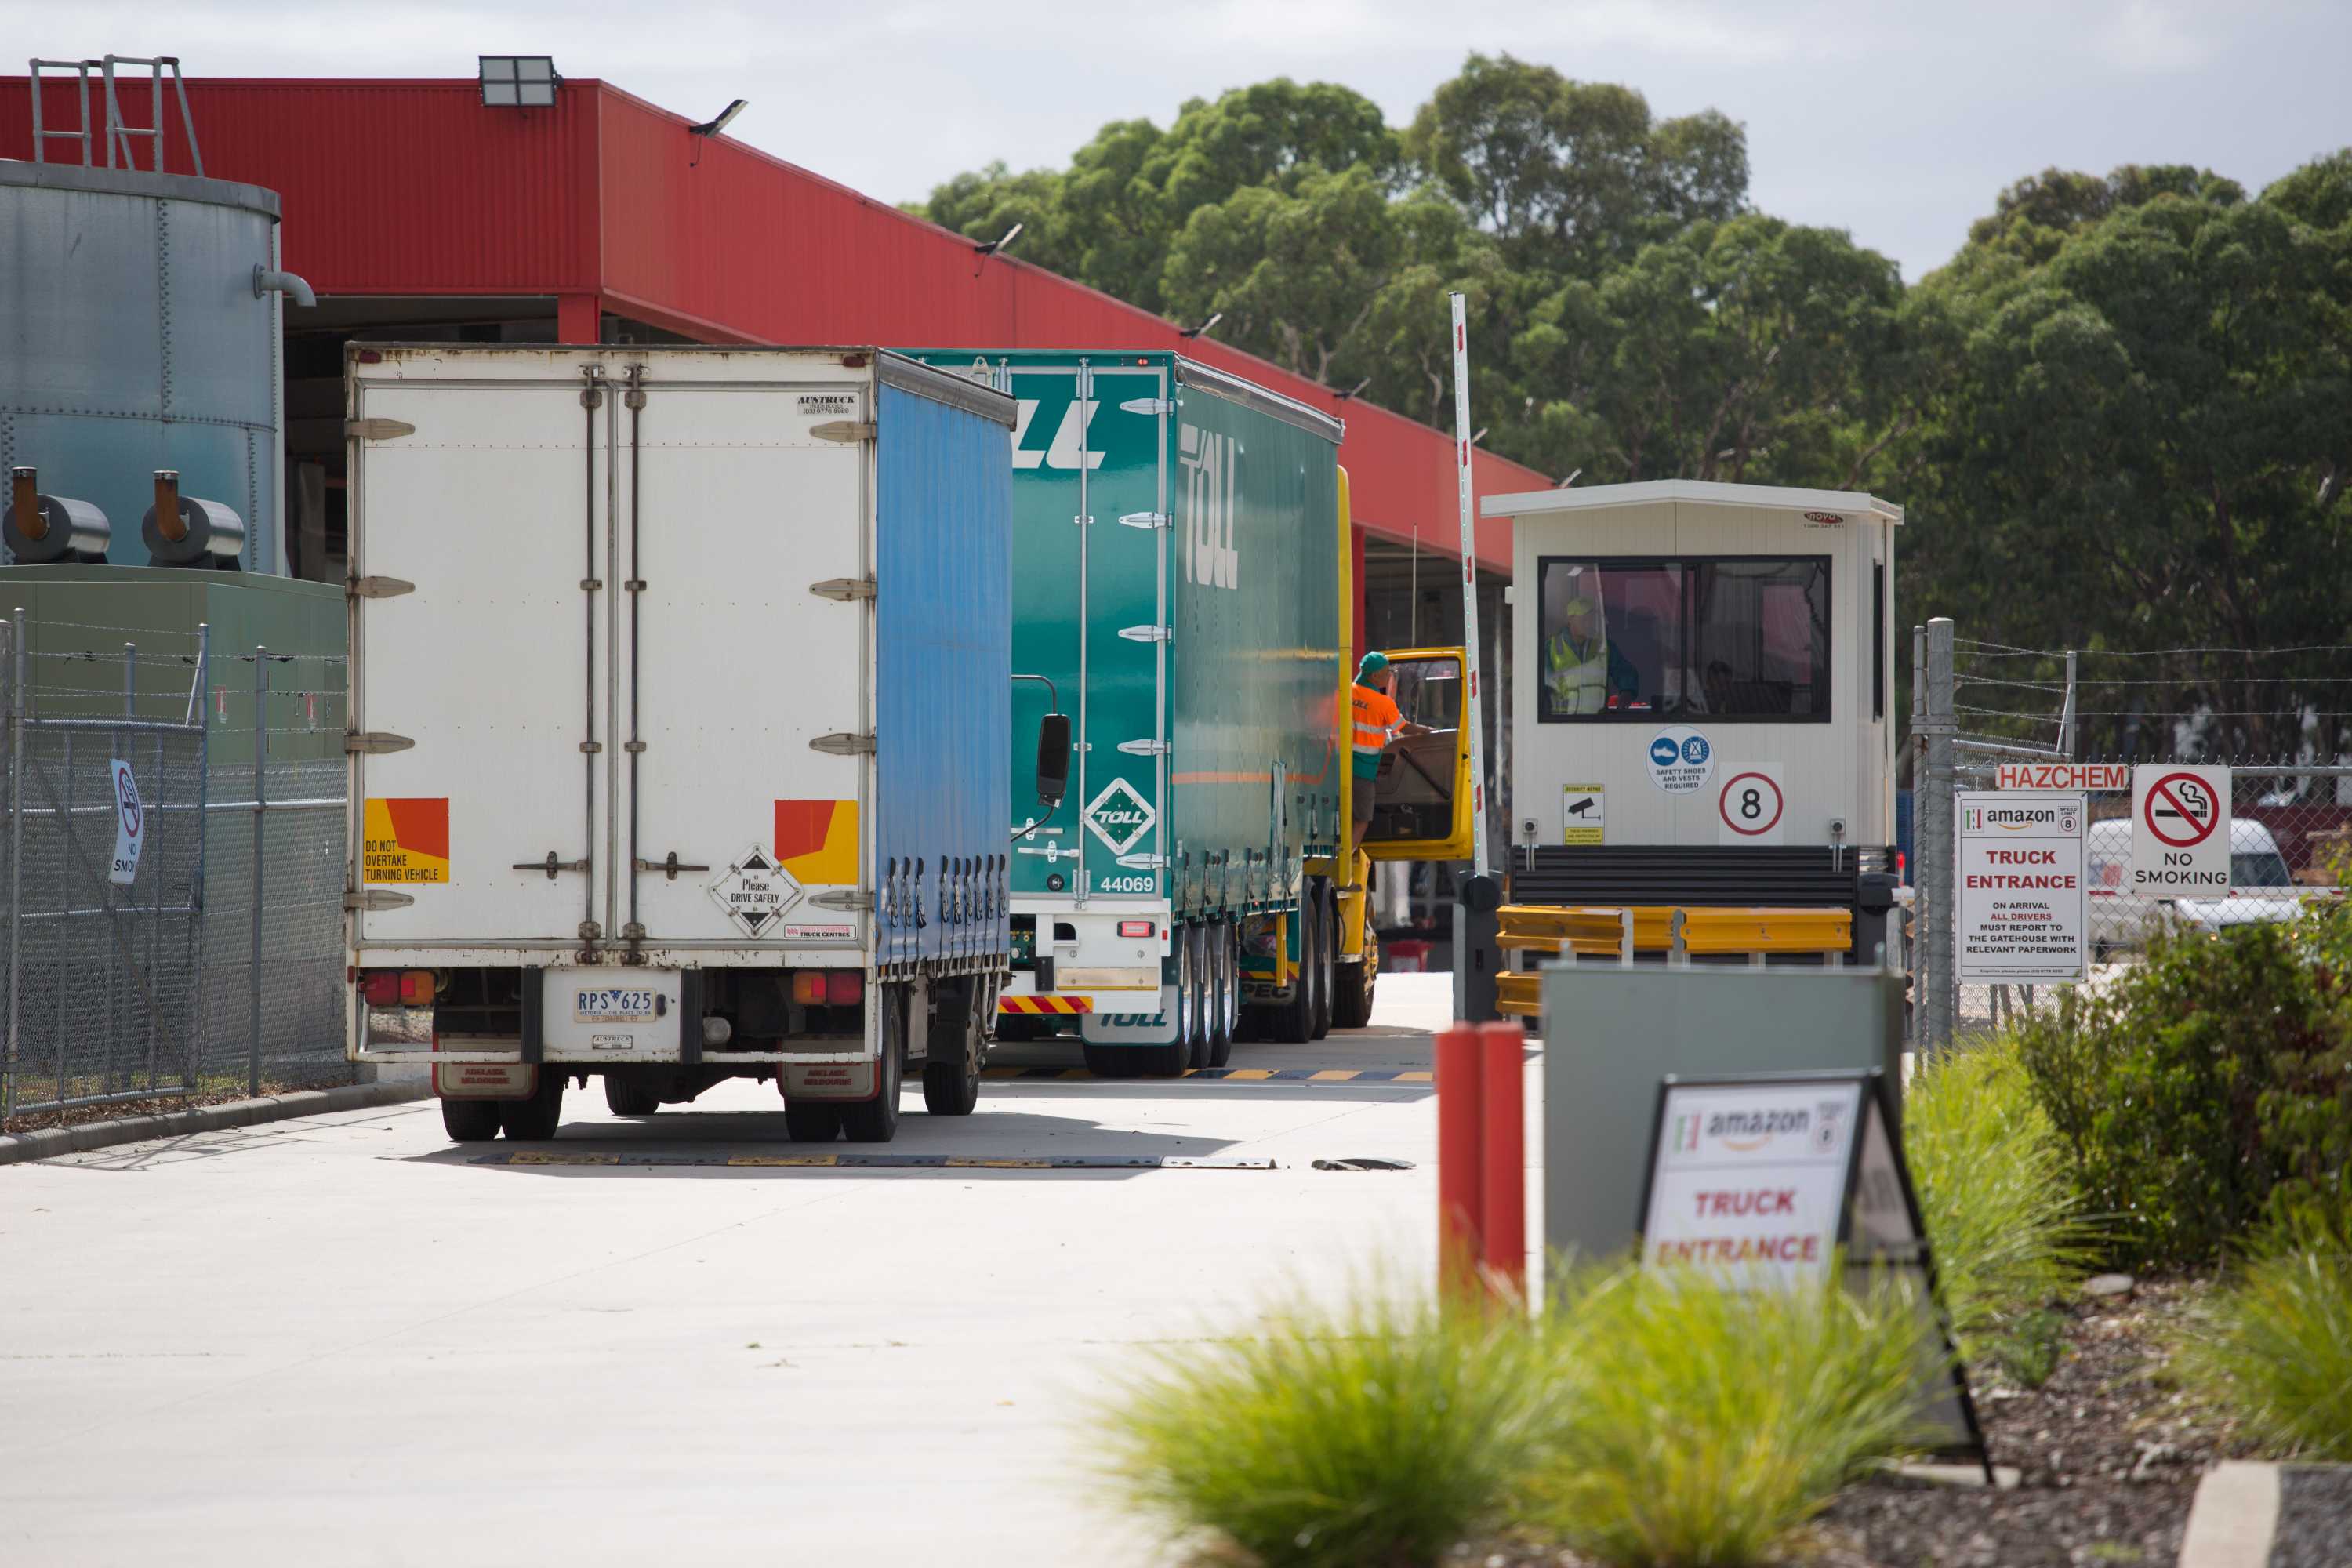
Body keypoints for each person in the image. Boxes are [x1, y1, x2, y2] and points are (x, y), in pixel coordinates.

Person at [1349, 652, 1430, 841]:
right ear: (1375, 676)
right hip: (1363, 771)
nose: (1389, 676)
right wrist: (1427, 731)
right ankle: (1345, 858)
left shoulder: (1346, 692)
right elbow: (1404, 728)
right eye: (1387, 673)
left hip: (1339, 767)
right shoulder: (1383, 703)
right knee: (1361, 821)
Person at [1542, 577, 1638, 716]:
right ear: (1570, 619)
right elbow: (1540, 684)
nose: (1588, 622)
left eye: (1592, 617)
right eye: (1584, 618)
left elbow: (1624, 671)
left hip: (1598, 720)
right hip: (1562, 722)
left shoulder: (1603, 646)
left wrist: (1627, 691)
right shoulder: (1551, 647)